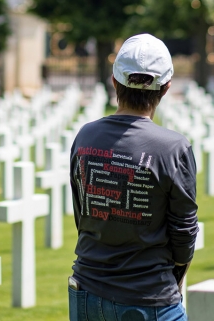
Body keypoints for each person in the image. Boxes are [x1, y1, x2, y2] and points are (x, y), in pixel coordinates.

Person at [69, 33, 198, 321]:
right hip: (150, 297)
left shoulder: (85, 136)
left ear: (114, 82)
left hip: (87, 290)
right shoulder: (173, 147)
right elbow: (184, 232)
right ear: (166, 89)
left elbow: (83, 213)